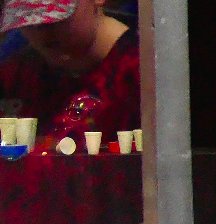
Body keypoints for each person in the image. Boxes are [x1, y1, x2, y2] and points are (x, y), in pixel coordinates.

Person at [0, 0, 142, 224]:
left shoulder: (146, 75)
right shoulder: (16, 74)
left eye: (56, 19)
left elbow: (184, 216)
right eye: (29, 23)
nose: (42, 32)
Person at [0, 0, 140, 150]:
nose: (40, 29)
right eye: (26, 18)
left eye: (56, 15)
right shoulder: (15, 77)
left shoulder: (144, 75)